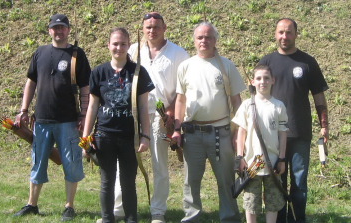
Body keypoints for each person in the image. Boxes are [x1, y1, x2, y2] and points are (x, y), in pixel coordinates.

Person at [13, 14, 91, 221]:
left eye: (62, 28)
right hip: (41, 120)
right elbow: (31, 82)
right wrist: (23, 109)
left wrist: (84, 114)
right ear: (49, 30)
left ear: (68, 30)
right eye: (55, 28)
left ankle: (69, 206)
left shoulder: (76, 54)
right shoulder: (39, 52)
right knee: (37, 163)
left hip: (68, 120)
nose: (59, 31)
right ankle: (32, 204)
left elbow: (85, 86)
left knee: (71, 163)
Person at [113, 12, 189, 223]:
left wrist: (172, 111)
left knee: (159, 164)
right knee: (124, 162)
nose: (152, 30)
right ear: (143, 29)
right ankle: (118, 209)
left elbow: (185, 88)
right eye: (148, 27)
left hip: (161, 115)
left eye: (156, 26)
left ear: (165, 28)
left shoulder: (178, 54)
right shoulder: (133, 50)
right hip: (134, 113)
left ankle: (158, 212)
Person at [172, 22, 245, 223]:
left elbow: (237, 102)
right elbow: (180, 100)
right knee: (191, 181)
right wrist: (177, 129)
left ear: (215, 40)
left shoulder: (226, 66)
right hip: (192, 133)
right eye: (200, 37)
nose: (204, 41)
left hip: (220, 132)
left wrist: (238, 132)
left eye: (208, 37)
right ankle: (191, 217)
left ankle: (229, 218)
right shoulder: (185, 66)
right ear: (194, 41)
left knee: (226, 180)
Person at [259, 18, 329, 223]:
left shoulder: (307, 62)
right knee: (276, 182)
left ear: (296, 34)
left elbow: (319, 97)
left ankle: (298, 220)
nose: (284, 36)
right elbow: (256, 99)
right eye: (281, 32)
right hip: (272, 134)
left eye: (289, 32)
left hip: (299, 132)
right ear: (275, 34)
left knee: (299, 182)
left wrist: (324, 126)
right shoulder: (266, 63)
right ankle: (279, 220)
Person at [83, 27, 154, 223]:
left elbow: (143, 107)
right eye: (115, 43)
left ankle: (131, 219)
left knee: (128, 183)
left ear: (128, 46)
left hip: (129, 137)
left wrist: (145, 136)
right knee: (107, 182)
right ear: (108, 45)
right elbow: (92, 106)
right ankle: (107, 219)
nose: (119, 48)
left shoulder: (138, 73)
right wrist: (86, 137)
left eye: (123, 44)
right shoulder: (98, 72)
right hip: (104, 136)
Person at [232, 64, 288, 223]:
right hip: (252, 164)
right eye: (258, 78)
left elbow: (283, 134)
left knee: (273, 200)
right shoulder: (246, 105)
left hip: (272, 163)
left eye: (266, 78)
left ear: (273, 80)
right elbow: (241, 132)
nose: (262, 81)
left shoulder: (278, 106)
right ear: (252, 81)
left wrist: (282, 159)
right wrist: (239, 157)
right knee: (251, 201)